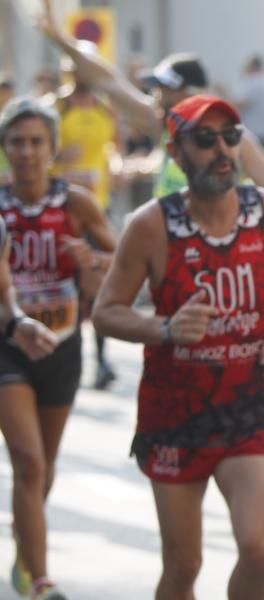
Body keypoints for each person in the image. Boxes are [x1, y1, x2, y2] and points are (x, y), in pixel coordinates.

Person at [91, 95, 264, 600]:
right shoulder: (152, 225)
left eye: (229, 135)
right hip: (175, 416)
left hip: (248, 406)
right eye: (205, 139)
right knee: (184, 564)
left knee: (260, 549)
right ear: (177, 150)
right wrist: (164, 326)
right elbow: (106, 311)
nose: (221, 150)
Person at [0, 97, 116, 600]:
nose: (26, 152)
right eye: (16, 142)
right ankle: (42, 581)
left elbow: (120, 257)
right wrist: (13, 320)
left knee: (42, 468)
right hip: (8, 343)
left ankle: (26, 545)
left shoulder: (75, 203)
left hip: (63, 344)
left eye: (35, 142)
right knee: (26, 460)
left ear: (51, 148)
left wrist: (91, 260)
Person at [36, 0, 264, 198]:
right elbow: (108, 81)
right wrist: (61, 40)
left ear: (188, 93)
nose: (155, 96)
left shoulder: (233, 138)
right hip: (169, 249)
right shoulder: (165, 124)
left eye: (163, 88)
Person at [49, 43, 121, 390]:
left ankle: (102, 358)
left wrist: (117, 169)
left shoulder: (105, 109)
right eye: (78, 69)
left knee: (102, 276)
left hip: (97, 205)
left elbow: (114, 150)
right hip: (63, 208)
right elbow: (36, 151)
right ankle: (62, 351)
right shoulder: (57, 107)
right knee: (69, 282)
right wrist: (61, 157)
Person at [232, 54, 264, 153]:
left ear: (253, 66)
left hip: (254, 134)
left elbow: (239, 105)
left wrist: (224, 94)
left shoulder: (254, 83)